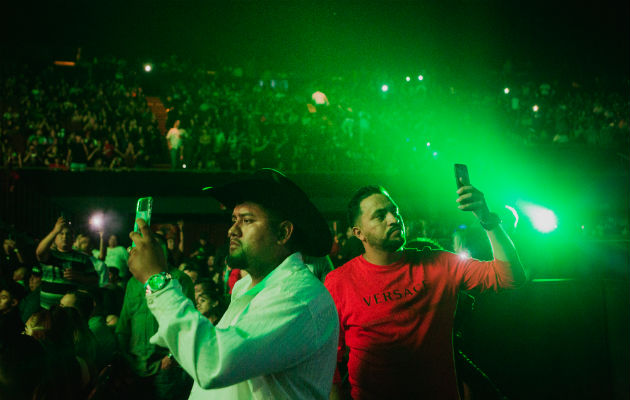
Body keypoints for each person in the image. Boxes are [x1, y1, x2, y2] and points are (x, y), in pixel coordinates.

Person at [127, 169, 339, 399]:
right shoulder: (245, 286)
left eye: (247, 220)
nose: (232, 230)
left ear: (283, 232)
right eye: (233, 219)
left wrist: (157, 280)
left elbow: (213, 362)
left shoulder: (298, 295)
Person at [324, 184, 527, 399]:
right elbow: (327, 359)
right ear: (359, 233)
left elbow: (510, 277)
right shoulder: (339, 282)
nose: (393, 219)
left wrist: (487, 219)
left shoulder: (439, 263)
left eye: (395, 211)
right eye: (380, 216)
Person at [35, 217, 98, 310]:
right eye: (61, 234)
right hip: (47, 308)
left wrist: (80, 277)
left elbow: (95, 280)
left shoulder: (83, 258)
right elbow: (39, 252)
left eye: (68, 234)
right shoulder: (50, 254)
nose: (64, 237)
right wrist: (55, 230)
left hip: (70, 309)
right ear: (55, 238)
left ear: (73, 239)